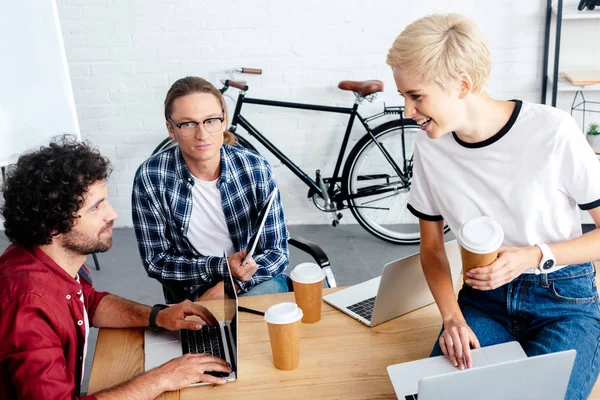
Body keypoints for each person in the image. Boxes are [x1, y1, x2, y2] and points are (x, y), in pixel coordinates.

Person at [387, 13, 600, 400]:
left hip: (563, 300)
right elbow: (432, 249)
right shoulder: (429, 147)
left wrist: (534, 256)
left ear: (461, 85)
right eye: (403, 96)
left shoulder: (553, 130)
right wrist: (452, 318)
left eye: (416, 96)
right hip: (481, 302)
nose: (407, 110)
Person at [0, 138, 231, 399]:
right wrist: (162, 378)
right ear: (54, 224)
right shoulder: (28, 308)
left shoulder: (40, 258)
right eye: (96, 207)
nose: (112, 215)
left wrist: (158, 316)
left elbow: (89, 302)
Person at [132, 76, 290, 304]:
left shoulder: (255, 168)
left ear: (224, 121)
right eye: (187, 124)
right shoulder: (151, 177)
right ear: (171, 129)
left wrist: (230, 287)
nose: (202, 134)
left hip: (253, 283)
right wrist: (221, 268)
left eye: (211, 121)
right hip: (194, 291)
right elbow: (156, 261)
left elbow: (277, 252)